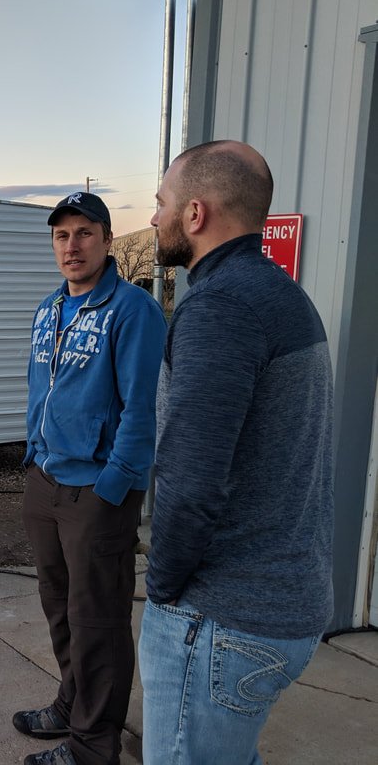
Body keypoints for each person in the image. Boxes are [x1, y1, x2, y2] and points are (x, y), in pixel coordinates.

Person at [140, 140, 333, 764]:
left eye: (162, 203)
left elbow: (191, 480)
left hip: (221, 618)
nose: (154, 218)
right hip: (282, 606)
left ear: (195, 214)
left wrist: (164, 589)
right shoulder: (283, 297)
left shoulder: (220, 307)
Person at [15, 192, 166, 765]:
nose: (71, 245)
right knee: (60, 606)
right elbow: (41, 392)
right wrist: (34, 453)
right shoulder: (50, 309)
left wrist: (116, 486)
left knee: (97, 618)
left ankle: (92, 746)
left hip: (96, 491)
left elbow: (141, 407)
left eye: (83, 233)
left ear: (106, 239)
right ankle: (70, 704)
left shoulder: (133, 310)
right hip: (46, 480)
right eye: (61, 235)